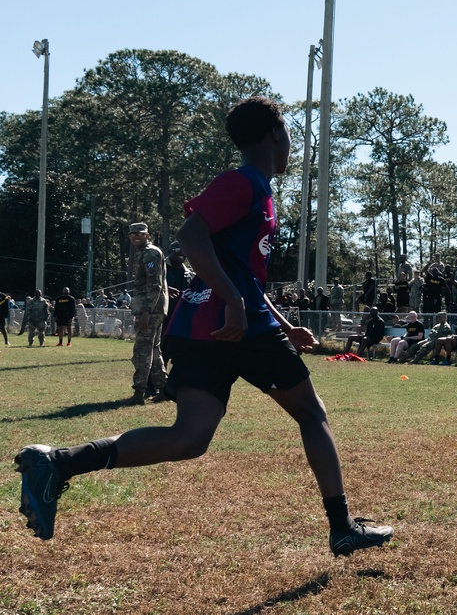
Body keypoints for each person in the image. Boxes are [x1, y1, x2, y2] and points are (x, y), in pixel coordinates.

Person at [14, 97, 392, 555]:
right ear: (275, 134)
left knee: (189, 438)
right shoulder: (244, 182)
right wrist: (234, 302)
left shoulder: (257, 189)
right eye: (288, 131)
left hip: (201, 326)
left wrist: (285, 324)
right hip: (236, 325)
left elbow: (242, 275)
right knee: (311, 414)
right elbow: (191, 236)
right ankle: (342, 528)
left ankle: (58, 463)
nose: (290, 141)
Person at [126, 222, 169, 405]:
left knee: (142, 350)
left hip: (150, 309)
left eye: (140, 234)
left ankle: (139, 392)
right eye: (133, 234)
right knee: (154, 349)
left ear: (147, 235)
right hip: (154, 308)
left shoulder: (150, 253)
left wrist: (146, 311)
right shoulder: (143, 253)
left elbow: (155, 284)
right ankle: (164, 390)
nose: (136, 236)